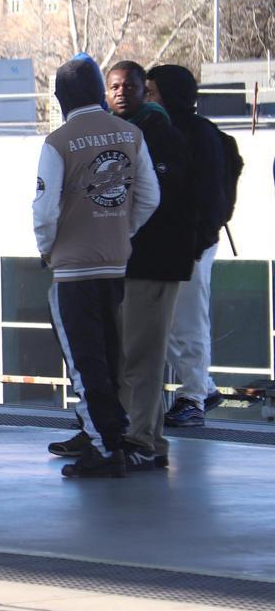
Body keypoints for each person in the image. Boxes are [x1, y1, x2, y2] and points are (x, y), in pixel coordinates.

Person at [35, 54, 159, 478]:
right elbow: (149, 197)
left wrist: (47, 249)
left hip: (72, 271)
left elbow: (44, 210)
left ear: (61, 96)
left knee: (83, 363)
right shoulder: (131, 134)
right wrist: (122, 232)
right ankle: (109, 436)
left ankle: (105, 448)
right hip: (115, 265)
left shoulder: (58, 142)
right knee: (108, 356)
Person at [107, 60, 197, 469]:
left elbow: (157, 200)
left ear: (147, 90)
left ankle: (144, 440)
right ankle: (132, 435)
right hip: (126, 263)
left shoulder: (160, 134)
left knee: (143, 358)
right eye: (114, 86)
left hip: (153, 263)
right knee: (126, 356)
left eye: (129, 85)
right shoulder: (117, 134)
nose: (121, 92)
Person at [146, 65, 229, 428]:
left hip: (191, 244)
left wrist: (197, 240)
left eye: (151, 90)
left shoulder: (198, 135)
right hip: (170, 243)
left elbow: (212, 196)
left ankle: (194, 396)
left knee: (187, 321)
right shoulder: (168, 129)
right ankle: (201, 388)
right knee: (168, 323)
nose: (147, 97)